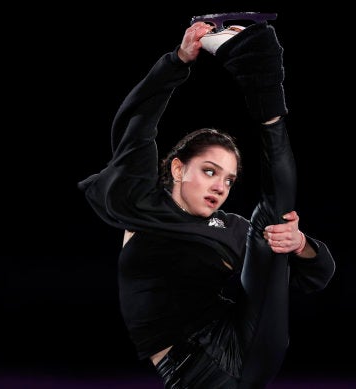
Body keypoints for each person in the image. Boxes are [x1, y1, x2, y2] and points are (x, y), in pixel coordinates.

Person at [78, 15, 335, 388]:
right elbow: (136, 124)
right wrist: (177, 61)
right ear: (179, 169)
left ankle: (260, 74)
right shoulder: (144, 207)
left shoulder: (233, 230)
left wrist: (302, 245)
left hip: (239, 344)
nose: (221, 187)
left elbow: (315, 278)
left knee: (272, 221)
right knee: (268, 222)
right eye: (211, 171)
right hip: (194, 370)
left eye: (229, 179)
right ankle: (252, 62)